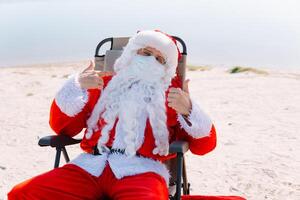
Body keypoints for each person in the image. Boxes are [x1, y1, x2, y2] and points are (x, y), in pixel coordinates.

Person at [8, 30, 217, 200]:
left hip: (141, 171)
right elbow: (63, 129)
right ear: (132, 53)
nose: (151, 60)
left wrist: (189, 110)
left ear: (167, 69)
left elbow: (204, 146)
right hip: (89, 167)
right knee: (23, 193)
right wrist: (77, 87)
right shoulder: (101, 83)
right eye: (145, 52)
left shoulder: (173, 97)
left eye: (160, 59)